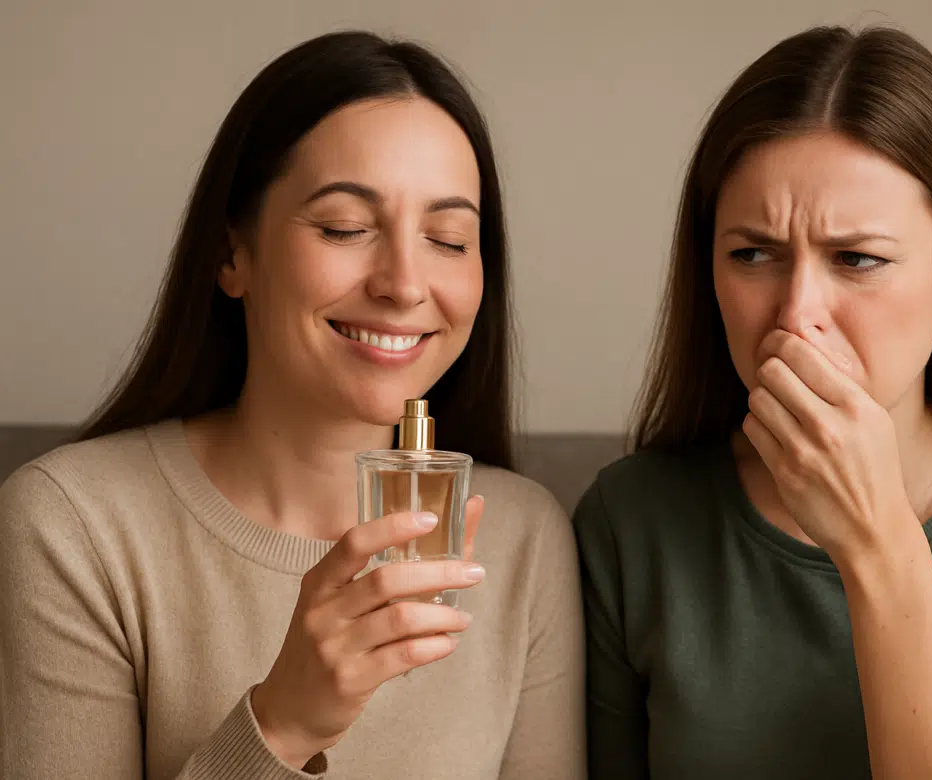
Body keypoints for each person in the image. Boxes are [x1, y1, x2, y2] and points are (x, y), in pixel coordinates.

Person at [572, 24, 932, 780]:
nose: (796, 312)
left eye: (857, 259)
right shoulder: (630, 519)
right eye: (753, 254)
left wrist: (876, 542)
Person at [0, 30, 584, 779]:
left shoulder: (525, 536)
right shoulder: (72, 525)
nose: (404, 284)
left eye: (448, 237)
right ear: (231, 253)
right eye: (346, 227)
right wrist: (281, 725)